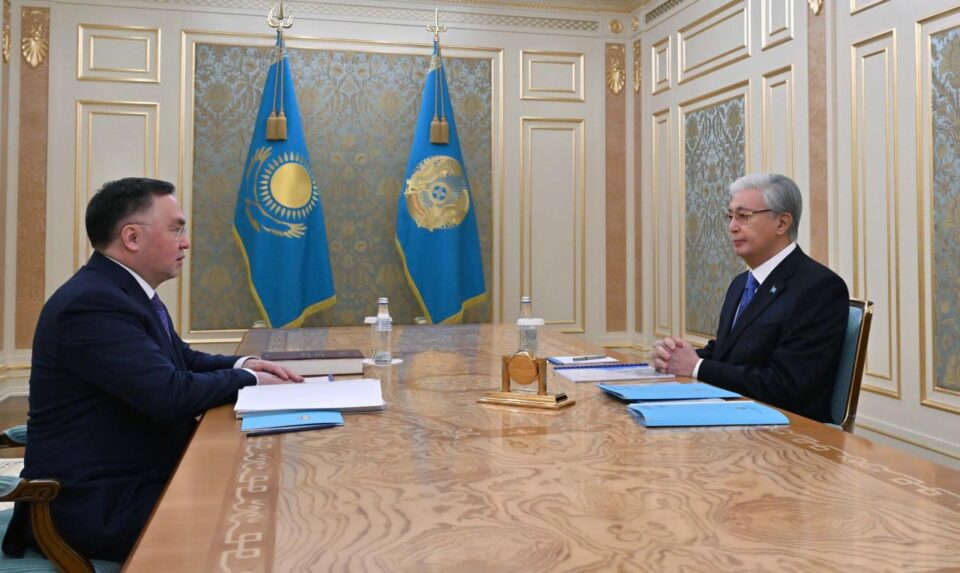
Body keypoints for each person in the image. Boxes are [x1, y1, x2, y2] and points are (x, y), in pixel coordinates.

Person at [2, 178, 303, 562]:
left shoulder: (121, 291)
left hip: (138, 476)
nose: (185, 242)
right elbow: (168, 394)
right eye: (176, 229)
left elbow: (181, 359)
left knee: (270, 491)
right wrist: (251, 380)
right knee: (261, 525)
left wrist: (244, 363)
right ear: (131, 237)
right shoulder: (92, 304)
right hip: (96, 502)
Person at [651, 173, 849, 422]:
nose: (732, 227)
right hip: (730, 416)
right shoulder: (740, 283)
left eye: (744, 216)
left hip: (784, 431)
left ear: (782, 223)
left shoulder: (818, 288)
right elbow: (728, 353)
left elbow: (788, 385)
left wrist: (697, 367)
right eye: (730, 216)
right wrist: (676, 357)